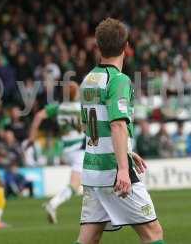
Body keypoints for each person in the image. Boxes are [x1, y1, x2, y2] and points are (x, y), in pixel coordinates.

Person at [75, 18, 165, 244]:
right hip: (113, 171)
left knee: (88, 238)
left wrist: (126, 148)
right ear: (126, 48)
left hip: (92, 168)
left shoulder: (88, 80)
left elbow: (90, 126)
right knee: (153, 233)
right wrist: (123, 168)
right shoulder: (118, 81)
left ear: (98, 46)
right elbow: (116, 124)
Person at [28, 81, 85, 224]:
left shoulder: (58, 108)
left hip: (65, 149)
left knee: (90, 181)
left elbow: (38, 116)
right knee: (74, 185)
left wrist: (32, 137)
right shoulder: (82, 107)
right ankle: (53, 204)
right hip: (79, 149)